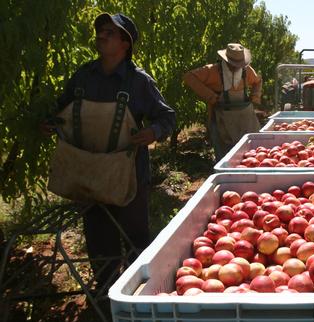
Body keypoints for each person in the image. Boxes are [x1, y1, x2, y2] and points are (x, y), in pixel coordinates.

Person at [40, 13, 176, 290]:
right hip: (87, 169)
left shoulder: (138, 82)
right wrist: (50, 123)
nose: (101, 35)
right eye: (100, 31)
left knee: (135, 236)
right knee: (97, 234)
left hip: (127, 171)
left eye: (109, 32)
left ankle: (140, 293)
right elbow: (62, 109)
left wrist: (154, 132)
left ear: (125, 43)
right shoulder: (83, 76)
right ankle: (105, 290)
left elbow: (167, 118)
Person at [182, 43, 263, 161]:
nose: (236, 67)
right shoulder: (212, 70)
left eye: (239, 64)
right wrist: (211, 96)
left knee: (251, 154)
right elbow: (189, 77)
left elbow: (258, 81)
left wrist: (255, 97)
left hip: (245, 120)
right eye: (233, 64)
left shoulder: (247, 71)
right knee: (226, 157)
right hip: (222, 121)